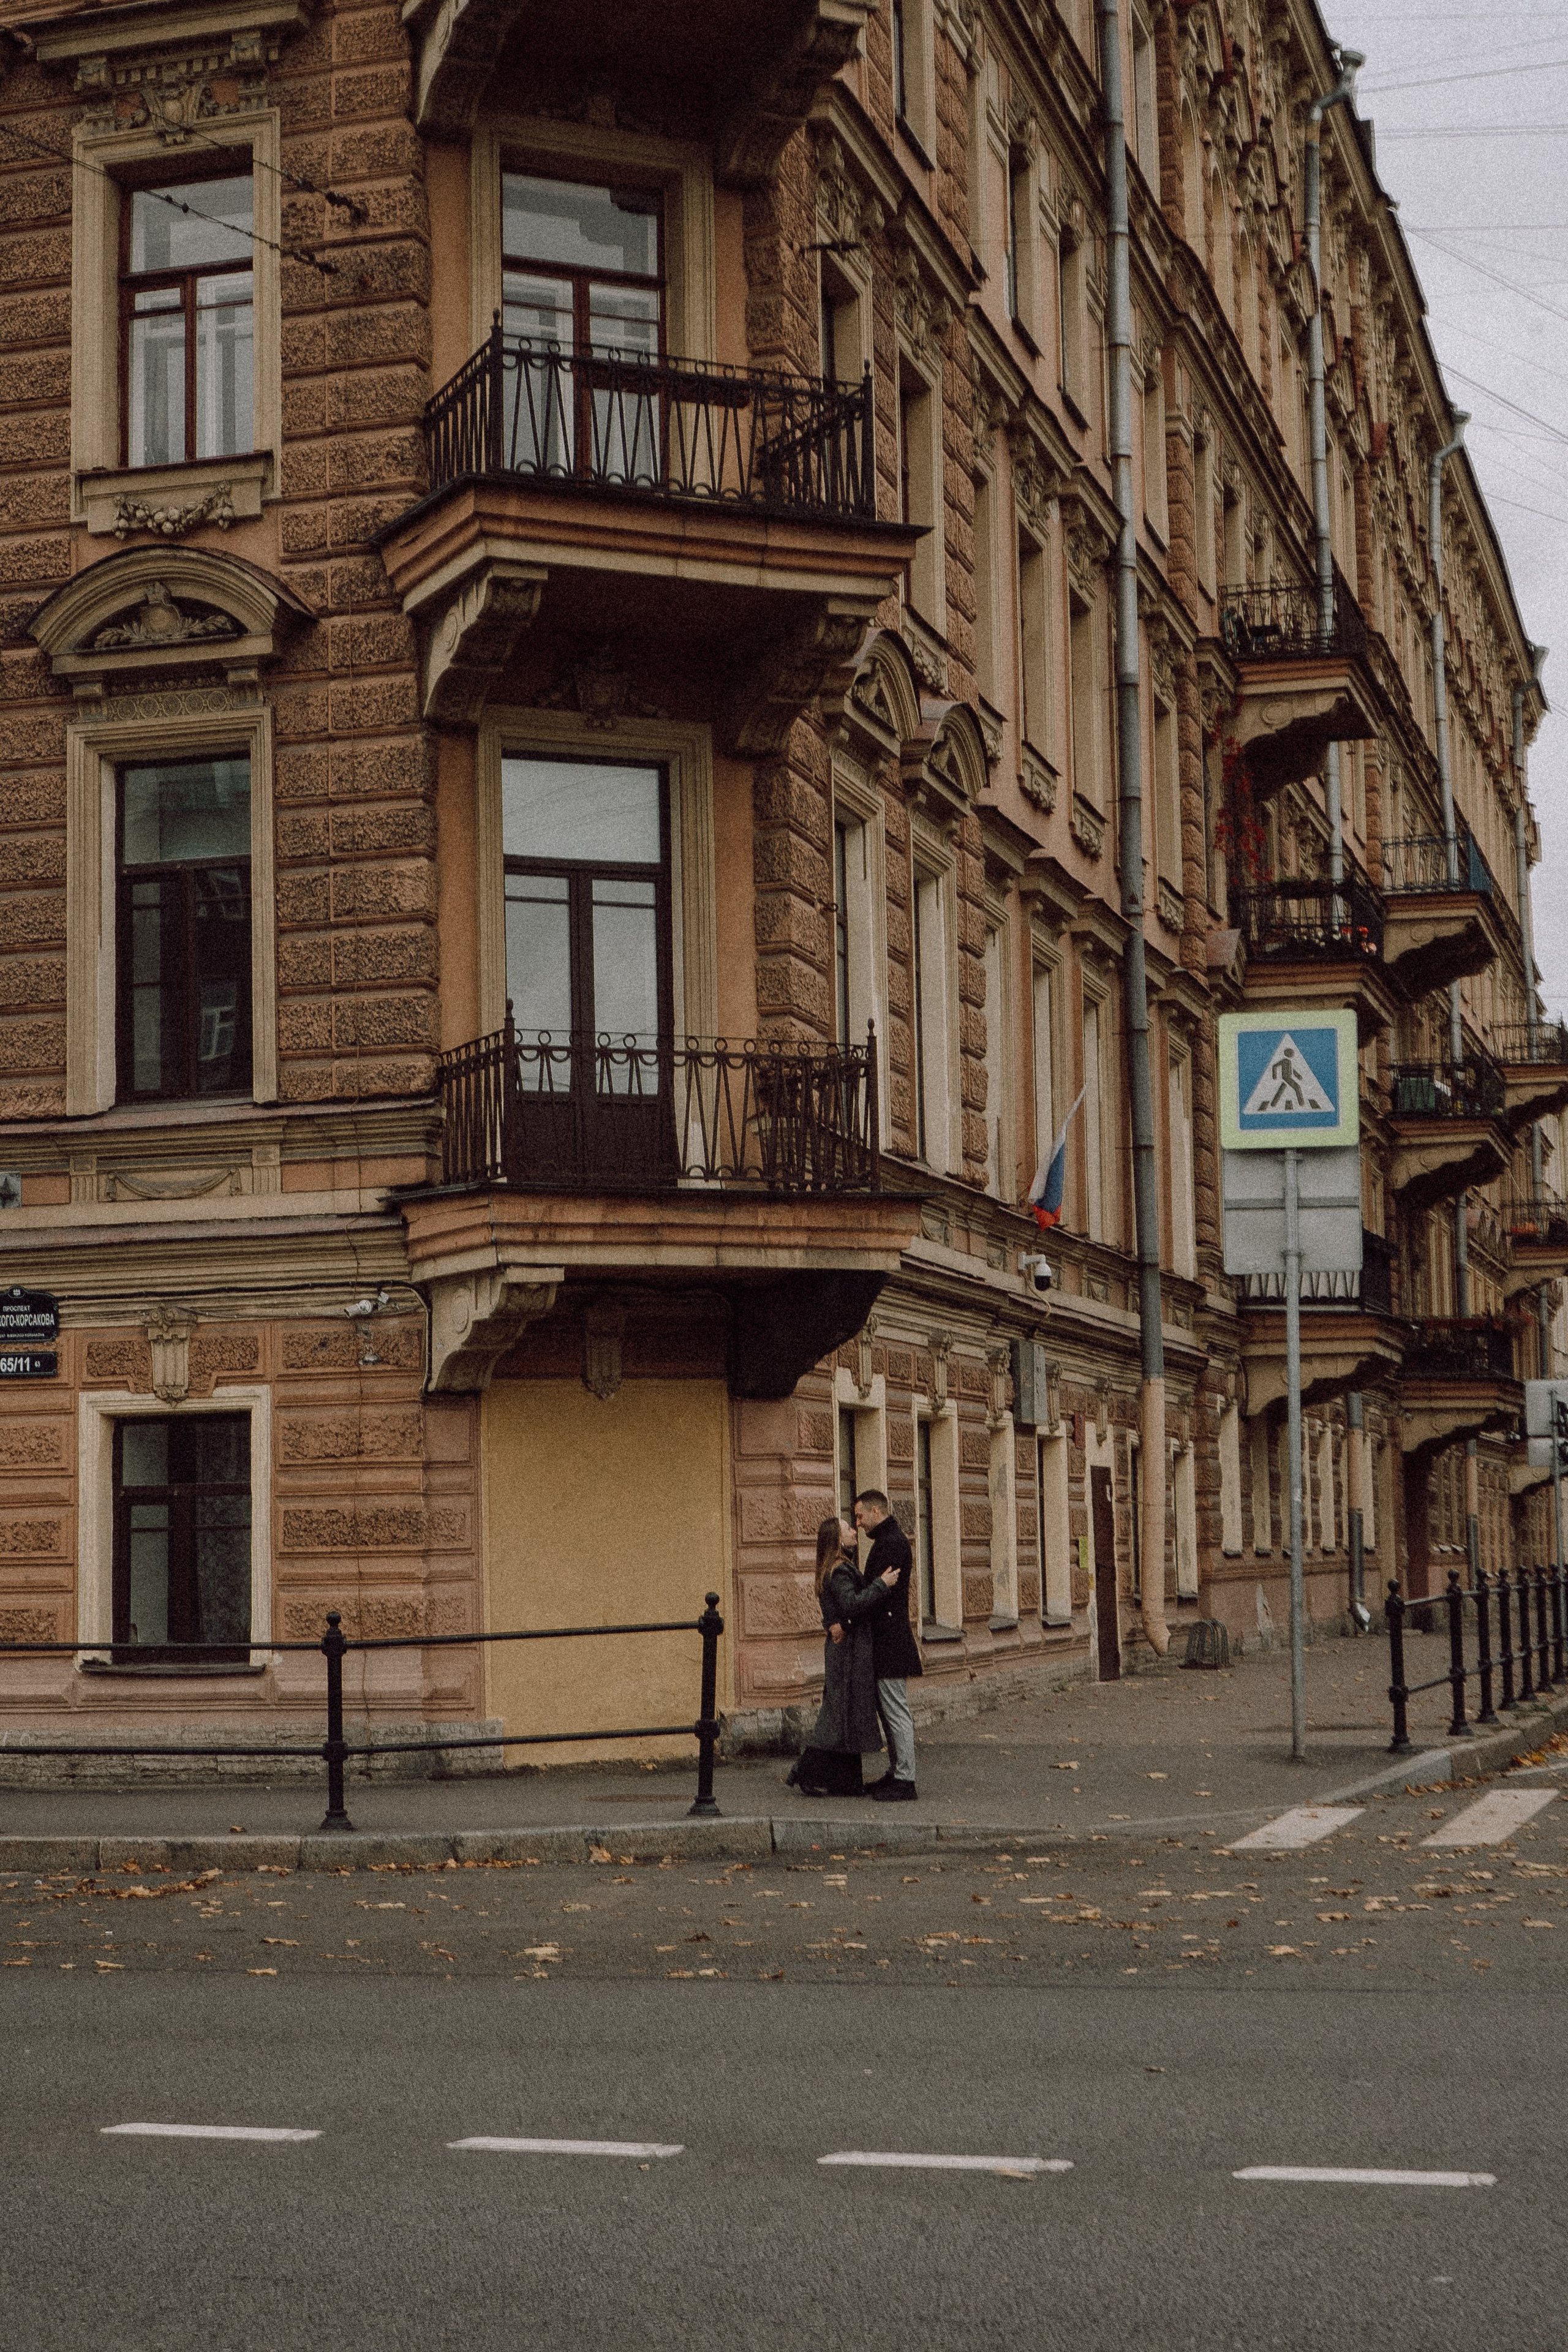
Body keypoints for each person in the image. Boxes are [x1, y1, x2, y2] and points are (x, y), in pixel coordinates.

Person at [786, 1516, 900, 1798]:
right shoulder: (840, 1571)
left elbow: (836, 1610)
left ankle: (845, 1781)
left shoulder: (837, 1568)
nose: (854, 1530)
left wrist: (834, 1623)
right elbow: (851, 1604)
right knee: (839, 1713)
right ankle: (806, 1770)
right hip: (848, 1651)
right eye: (848, 1528)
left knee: (847, 1712)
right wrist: (881, 1584)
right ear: (838, 1539)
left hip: (848, 1647)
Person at [853, 1488, 922, 1800]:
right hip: (888, 1639)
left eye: (860, 1516)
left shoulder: (890, 1543)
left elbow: (880, 1593)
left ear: (876, 1512)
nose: (858, 1523)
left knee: (895, 1711)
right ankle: (897, 1773)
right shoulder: (889, 1541)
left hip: (890, 1641)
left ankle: (905, 1779)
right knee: (889, 1710)